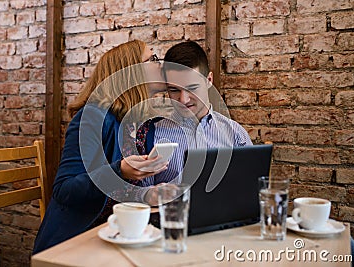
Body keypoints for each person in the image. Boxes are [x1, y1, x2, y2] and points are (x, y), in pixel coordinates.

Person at [33, 40, 168, 254]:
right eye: (152, 59)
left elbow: (119, 194)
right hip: (77, 240)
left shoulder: (141, 124)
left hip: (118, 234)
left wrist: (146, 194)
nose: (160, 64)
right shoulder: (93, 118)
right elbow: (64, 190)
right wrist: (118, 171)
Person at [139, 41, 253, 204]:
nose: (183, 99)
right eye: (174, 90)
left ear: (209, 80)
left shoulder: (235, 134)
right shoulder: (152, 133)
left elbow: (251, 190)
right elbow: (140, 195)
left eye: (191, 88)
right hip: (172, 223)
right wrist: (149, 195)